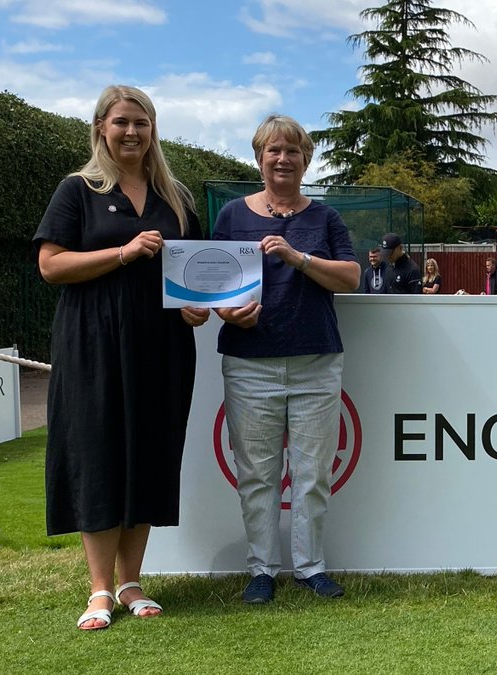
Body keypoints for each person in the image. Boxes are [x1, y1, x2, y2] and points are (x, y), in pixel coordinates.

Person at [34, 85, 209, 630]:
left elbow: (197, 274)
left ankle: (133, 581)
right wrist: (123, 252)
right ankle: (100, 589)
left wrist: (197, 310)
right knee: (99, 453)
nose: (132, 132)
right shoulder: (77, 190)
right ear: (101, 128)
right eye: (122, 122)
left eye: (142, 122)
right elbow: (51, 266)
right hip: (92, 343)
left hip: (161, 346)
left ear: (153, 129)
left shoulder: (175, 196)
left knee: (149, 454)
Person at [212, 114, 360, 604]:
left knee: (313, 470)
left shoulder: (325, 218)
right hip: (249, 361)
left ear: (306, 160)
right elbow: (210, 285)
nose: (282, 159)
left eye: (292, 151)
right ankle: (261, 570)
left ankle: (311, 567)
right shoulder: (233, 215)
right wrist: (228, 314)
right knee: (257, 472)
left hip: (316, 359)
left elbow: (351, 278)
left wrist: (299, 258)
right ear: (259, 159)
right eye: (273, 151)